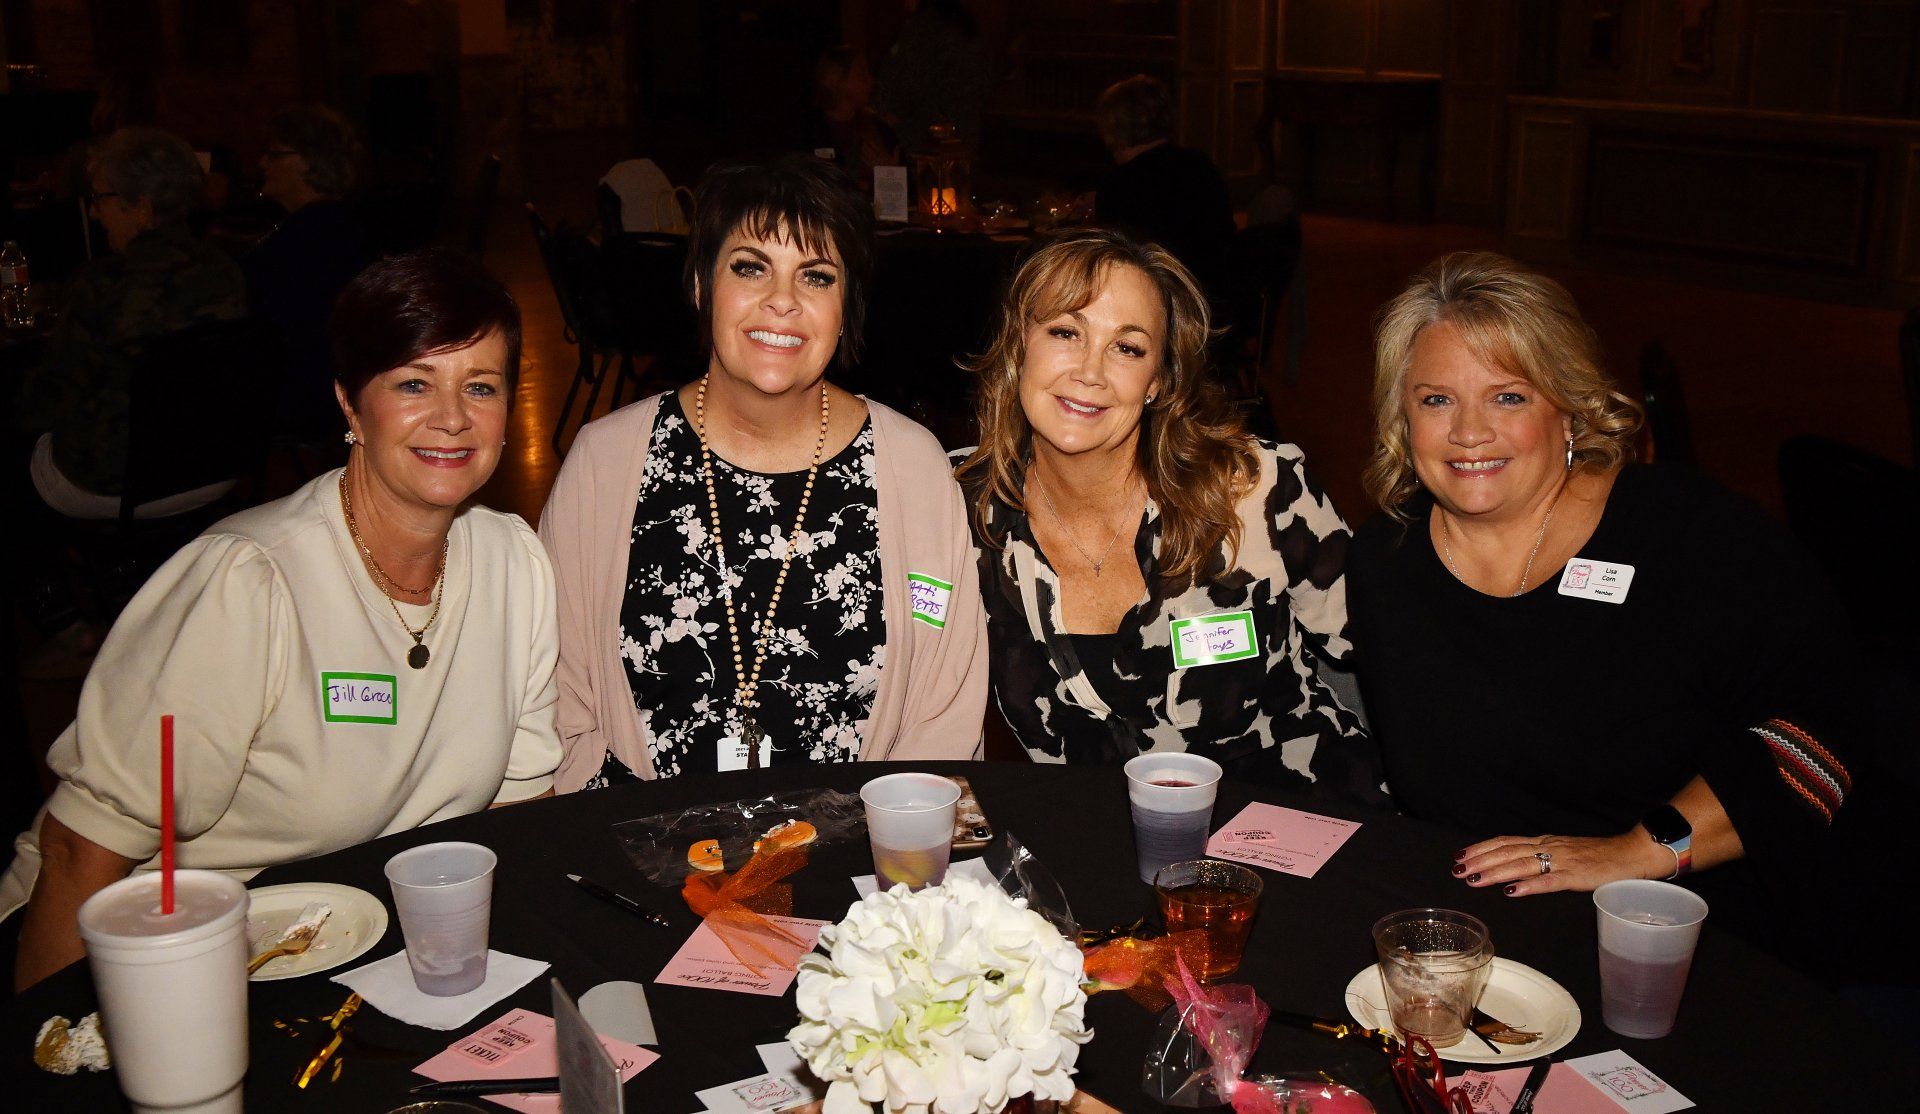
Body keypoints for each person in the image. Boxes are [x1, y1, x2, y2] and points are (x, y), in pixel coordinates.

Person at [2, 249, 561, 989]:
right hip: (152, 952)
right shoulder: (247, 584)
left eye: (481, 386)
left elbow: (517, 822)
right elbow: (83, 850)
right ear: (350, 404)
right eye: (414, 383)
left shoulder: (514, 564)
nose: (453, 418)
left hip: (348, 952)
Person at [1346, 252, 1856, 908]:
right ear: (1403, 419)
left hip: (1691, 923)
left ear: (1568, 409)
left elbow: (1825, 732)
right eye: (1437, 399)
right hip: (1478, 923)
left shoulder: (1684, 533)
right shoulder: (1387, 560)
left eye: (1509, 396)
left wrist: (1633, 852)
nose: (1469, 432)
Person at [539, 153, 987, 789]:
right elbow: (557, 700)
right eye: (751, 268)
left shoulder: (913, 469)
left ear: (847, 306)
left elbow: (943, 708)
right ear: (700, 284)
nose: (782, 302)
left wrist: (884, 858)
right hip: (643, 856)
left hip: (856, 864)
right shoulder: (603, 463)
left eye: (817, 277)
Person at [954, 229, 1384, 803]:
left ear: (1158, 380)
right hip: (1096, 849)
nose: (1090, 371)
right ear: (1018, 346)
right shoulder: (960, 511)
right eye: (1064, 332)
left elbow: (1404, 658)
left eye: (1127, 348)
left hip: (1296, 824)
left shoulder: (1257, 491)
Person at [18, 126, 247, 519]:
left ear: (141, 208)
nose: (93, 211)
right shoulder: (226, 269)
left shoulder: (102, 282)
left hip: (119, 482)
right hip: (215, 465)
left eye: (101, 198)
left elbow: (55, 395)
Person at [245, 104, 376, 438]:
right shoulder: (342, 223)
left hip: (304, 396)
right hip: (335, 384)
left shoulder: (304, 241)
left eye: (273, 154)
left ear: (307, 162)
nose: (263, 163)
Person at [1092, 76, 1236, 310]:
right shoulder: (1200, 166)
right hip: (1218, 298)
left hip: (1163, 304)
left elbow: (1116, 262)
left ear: (1113, 128)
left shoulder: (1121, 183)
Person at [798, 45, 901, 191]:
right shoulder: (809, 132)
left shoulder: (878, 128)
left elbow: (900, 195)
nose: (871, 81)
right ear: (836, 80)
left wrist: (891, 173)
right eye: (861, 74)